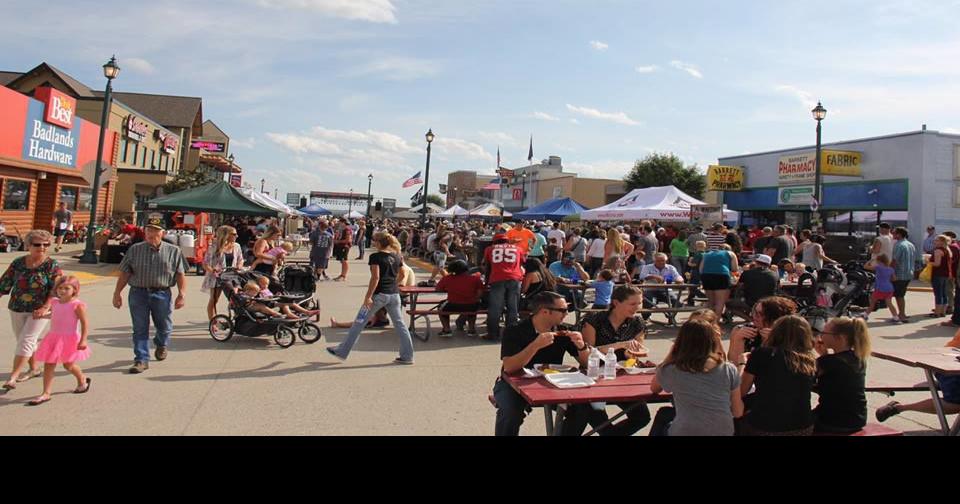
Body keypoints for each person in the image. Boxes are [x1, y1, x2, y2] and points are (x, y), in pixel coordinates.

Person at [492, 291, 593, 436]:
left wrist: (581, 346)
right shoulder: (515, 330)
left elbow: (587, 364)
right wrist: (535, 345)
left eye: (568, 308)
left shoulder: (565, 331)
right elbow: (509, 367)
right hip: (513, 383)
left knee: (582, 409)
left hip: (553, 382)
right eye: (563, 310)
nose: (567, 313)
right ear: (545, 311)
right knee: (510, 412)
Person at [571, 285, 651, 436]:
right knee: (599, 421)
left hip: (621, 377)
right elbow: (587, 354)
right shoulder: (594, 320)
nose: (637, 308)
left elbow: (636, 354)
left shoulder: (637, 323)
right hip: (592, 377)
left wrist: (631, 354)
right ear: (616, 302)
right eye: (632, 304)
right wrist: (618, 345)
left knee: (642, 417)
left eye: (639, 303)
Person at [327, 232, 415, 364]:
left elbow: (376, 277)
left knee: (359, 322)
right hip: (394, 295)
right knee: (400, 325)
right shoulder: (397, 257)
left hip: (378, 296)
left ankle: (342, 351)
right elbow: (402, 274)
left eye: (375, 241)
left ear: (379, 243)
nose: (373, 242)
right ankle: (407, 356)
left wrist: (368, 297)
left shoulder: (375, 257)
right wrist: (393, 285)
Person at [112, 220, 187, 374]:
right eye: (149, 231)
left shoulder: (174, 251)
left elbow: (180, 274)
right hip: (138, 293)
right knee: (140, 328)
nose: (152, 234)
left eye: (156, 231)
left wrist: (181, 294)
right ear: (145, 232)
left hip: (162, 293)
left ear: (163, 233)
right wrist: (117, 293)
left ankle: (161, 344)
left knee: (164, 326)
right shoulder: (135, 250)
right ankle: (141, 359)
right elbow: (125, 272)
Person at [649, 319, 743, 436]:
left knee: (665, 422)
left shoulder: (672, 370)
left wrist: (670, 356)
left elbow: (654, 388)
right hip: (722, 431)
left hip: (685, 431)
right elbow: (738, 412)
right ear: (712, 342)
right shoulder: (728, 369)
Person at [731, 314, 816, 436]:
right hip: (802, 425)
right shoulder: (809, 359)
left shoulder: (763, 354)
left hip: (765, 426)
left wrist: (742, 363)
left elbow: (742, 390)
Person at [0, 230, 62, 390]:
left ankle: (13, 377)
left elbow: (55, 289)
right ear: (28, 245)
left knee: (26, 340)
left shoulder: (51, 265)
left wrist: (45, 307)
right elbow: (5, 282)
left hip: (40, 310)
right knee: (24, 339)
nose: (42, 247)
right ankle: (34, 368)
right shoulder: (18, 263)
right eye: (37, 244)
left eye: (46, 244)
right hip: (17, 307)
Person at [25, 276, 90, 406]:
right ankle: (46, 393)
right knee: (49, 364)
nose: (62, 291)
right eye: (60, 288)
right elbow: (55, 315)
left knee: (68, 365)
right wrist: (43, 315)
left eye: (67, 288)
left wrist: (83, 340)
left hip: (69, 338)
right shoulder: (55, 302)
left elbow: (84, 323)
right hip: (53, 337)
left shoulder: (76, 305)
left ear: (75, 290)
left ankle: (82, 379)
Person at [876, 335, 960, 424]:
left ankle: (940, 384)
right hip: (949, 364)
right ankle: (899, 408)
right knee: (955, 403)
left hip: (950, 363)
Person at [812, 317, 870, 434]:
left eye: (824, 333)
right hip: (857, 418)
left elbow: (804, 380)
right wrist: (824, 356)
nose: (821, 336)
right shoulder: (858, 358)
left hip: (833, 420)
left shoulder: (828, 362)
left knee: (793, 422)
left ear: (840, 337)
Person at [202, 225, 243, 321]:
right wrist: (213, 270)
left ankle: (237, 318)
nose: (236, 236)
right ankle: (213, 322)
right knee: (214, 299)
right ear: (225, 235)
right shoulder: (214, 246)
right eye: (234, 234)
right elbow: (205, 263)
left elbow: (240, 259)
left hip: (232, 276)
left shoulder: (236, 246)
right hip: (218, 277)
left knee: (235, 298)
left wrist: (239, 266)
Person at [435, 259, 484, 337]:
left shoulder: (447, 278)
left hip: (452, 305)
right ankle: (471, 329)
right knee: (473, 307)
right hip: (471, 305)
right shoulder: (475, 279)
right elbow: (480, 293)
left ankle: (446, 329)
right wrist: (474, 299)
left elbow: (438, 289)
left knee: (441, 308)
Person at [726, 254, 779, 321]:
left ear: (756, 262)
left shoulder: (747, 273)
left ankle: (750, 319)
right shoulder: (775, 275)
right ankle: (755, 317)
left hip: (750, 302)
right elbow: (778, 287)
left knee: (728, 304)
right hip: (769, 302)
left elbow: (738, 286)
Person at [638, 253, 683, 321]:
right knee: (647, 302)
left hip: (666, 291)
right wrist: (653, 276)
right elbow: (642, 276)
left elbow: (678, 277)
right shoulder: (647, 267)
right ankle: (646, 318)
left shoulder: (670, 267)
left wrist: (679, 280)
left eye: (663, 260)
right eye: (659, 261)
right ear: (654, 261)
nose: (661, 262)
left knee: (678, 302)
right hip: (650, 290)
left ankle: (671, 316)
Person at [700, 244, 739, 318]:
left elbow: (701, 269)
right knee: (720, 302)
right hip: (721, 275)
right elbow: (735, 268)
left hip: (706, 276)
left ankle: (709, 321)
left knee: (711, 302)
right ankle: (716, 322)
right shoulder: (730, 253)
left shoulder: (707, 254)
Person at [891, 226, 917, 323]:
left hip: (899, 273)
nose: (893, 234)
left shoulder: (899, 245)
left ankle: (901, 314)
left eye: (894, 233)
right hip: (908, 273)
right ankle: (902, 313)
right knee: (901, 294)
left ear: (899, 234)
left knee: (899, 295)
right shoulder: (910, 245)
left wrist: (890, 272)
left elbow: (894, 260)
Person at [864, 254, 899, 322]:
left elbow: (865, 266)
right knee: (889, 303)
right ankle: (896, 317)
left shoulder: (878, 267)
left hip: (879, 288)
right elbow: (894, 279)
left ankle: (865, 315)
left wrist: (870, 260)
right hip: (889, 288)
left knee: (872, 303)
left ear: (879, 261)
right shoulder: (891, 269)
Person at [929, 234, 954, 318]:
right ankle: (943, 312)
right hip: (946, 274)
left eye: (936, 240)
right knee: (944, 293)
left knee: (938, 293)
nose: (934, 242)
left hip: (938, 274)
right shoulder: (948, 250)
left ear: (941, 242)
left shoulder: (938, 250)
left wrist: (927, 262)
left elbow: (937, 264)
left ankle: (937, 312)